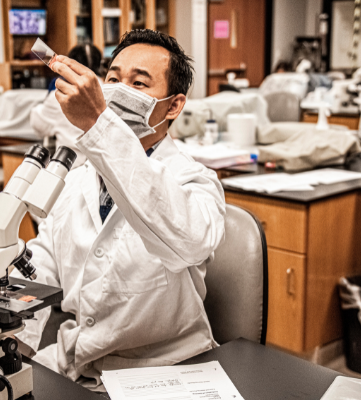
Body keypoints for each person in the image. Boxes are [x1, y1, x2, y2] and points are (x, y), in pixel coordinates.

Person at [15, 29, 226, 392]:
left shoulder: (195, 182)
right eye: (112, 78)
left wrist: (100, 124)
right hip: (76, 361)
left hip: (164, 371)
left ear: (174, 106)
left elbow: (187, 240)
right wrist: (12, 341)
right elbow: (41, 267)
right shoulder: (78, 181)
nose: (117, 90)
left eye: (139, 83)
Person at [31, 43, 102, 168]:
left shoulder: (58, 96)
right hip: (103, 172)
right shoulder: (109, 89)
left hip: (71, 169)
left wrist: (46, 98)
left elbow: (38, 125)